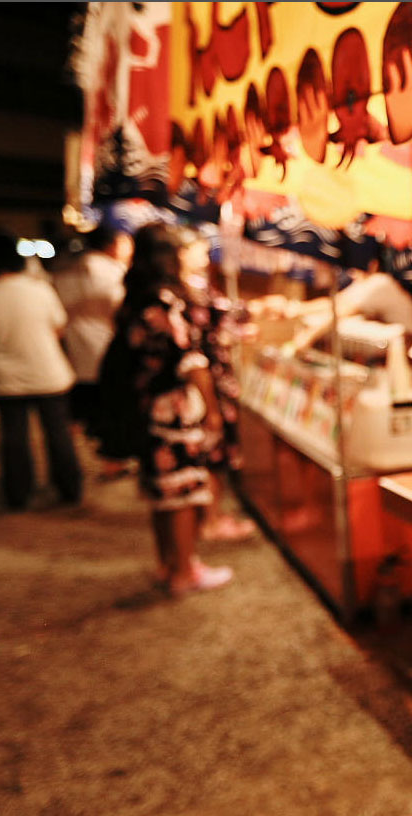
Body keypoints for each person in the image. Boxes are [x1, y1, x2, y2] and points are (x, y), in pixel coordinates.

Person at [105, 223, 232, 595]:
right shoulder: (167, 301)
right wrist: (211, 410)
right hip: (173, 410)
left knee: (161, 493)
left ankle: (168, 565)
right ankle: (185, 572)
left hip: (146, 408)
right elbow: (190, 360)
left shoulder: (136, 299)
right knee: (181, 494)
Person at [0, 232, 84, 510]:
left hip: (6, 378)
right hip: (48, 372)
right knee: (58, 433)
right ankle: (69, 488)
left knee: (14, 438)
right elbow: (59, 326)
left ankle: (17, 494)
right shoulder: (39, 289)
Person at [174, 226, 255, 541]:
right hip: (208, 384)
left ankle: (211, 516)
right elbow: (219, 321)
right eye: (198, 249)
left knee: (213, 450)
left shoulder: (190, 289)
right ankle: (211, 520)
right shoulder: (188, 293)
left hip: (211, 382)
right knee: (214, 450)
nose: (205, 255)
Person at [51, 223, 132, 470]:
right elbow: (121, 310)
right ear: (113, 245)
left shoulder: (67, 270)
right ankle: (110, 461)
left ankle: (73, 462)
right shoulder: (114, 273)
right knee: (108, 409)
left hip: (76, 350)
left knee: (81, 408)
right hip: (108, 348)